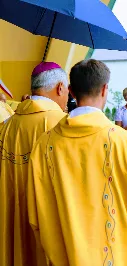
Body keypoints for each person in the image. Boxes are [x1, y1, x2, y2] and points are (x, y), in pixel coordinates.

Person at [26, 59, 127, 266]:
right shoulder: (125, 142)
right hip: (117, 254)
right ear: (105, 89)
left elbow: (37, 214)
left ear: (71, 91)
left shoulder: (44, 145)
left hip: (66, 253)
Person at [0, 62, 69, 266]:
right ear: (59, 88)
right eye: (66, 90)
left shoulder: (6, 125)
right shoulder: (65, 125)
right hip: (48, 226)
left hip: (11, 222)